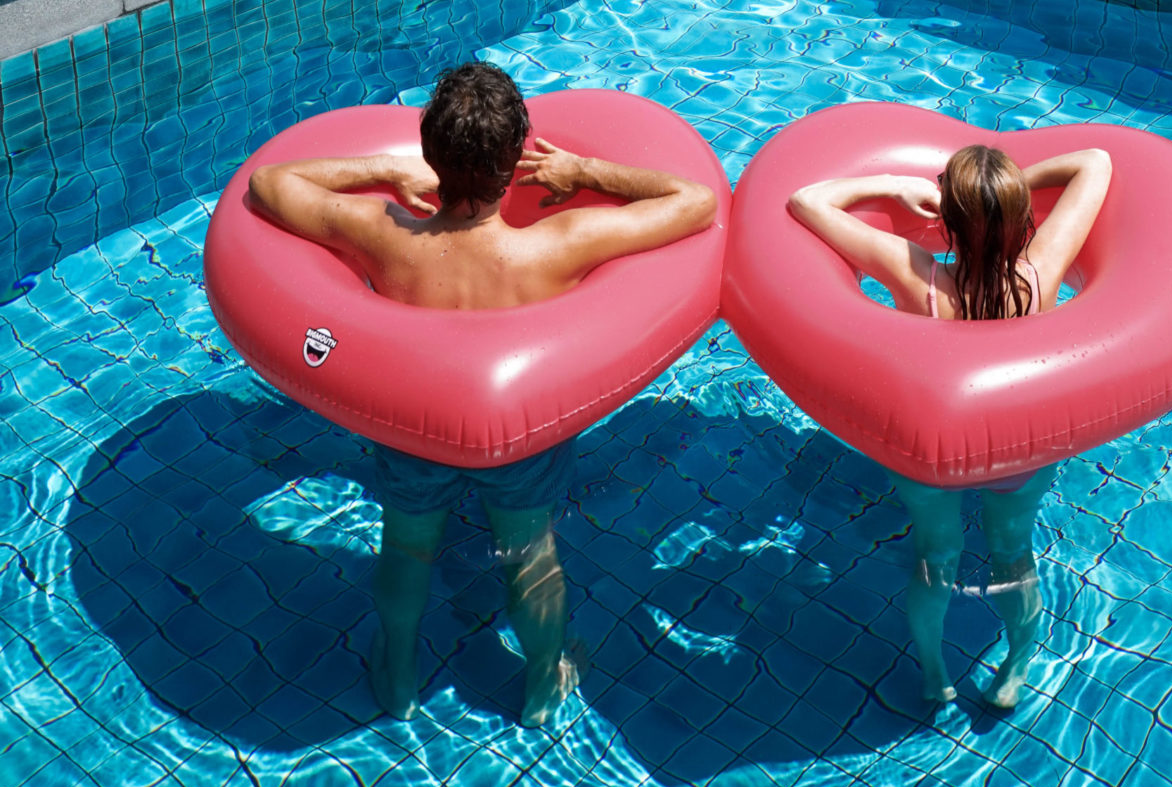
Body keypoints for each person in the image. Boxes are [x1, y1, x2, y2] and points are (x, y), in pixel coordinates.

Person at [249, 62, 717, 727]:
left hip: (415, 427)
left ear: (432, 157)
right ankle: (542, 683)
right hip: (518, 435)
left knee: (407, 546)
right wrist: (587, 172)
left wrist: (386, 175)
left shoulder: (385, 234)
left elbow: (269, 184)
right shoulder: (557, 245)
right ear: (516, 160)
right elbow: (696, 201)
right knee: (529, 551)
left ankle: (399, 677)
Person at [788, 140, 1111, 711]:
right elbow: (1096, 162)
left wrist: (892, 184)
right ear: (1022, 221)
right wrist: (996, 198)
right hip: (1017, 448)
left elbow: (806, 202)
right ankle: (1014, 668)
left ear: (949, 224)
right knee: (1013, 552)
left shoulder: (919, 277)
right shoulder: (1043, 269)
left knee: (935, 556)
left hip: (934, 451)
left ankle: (935, 674)